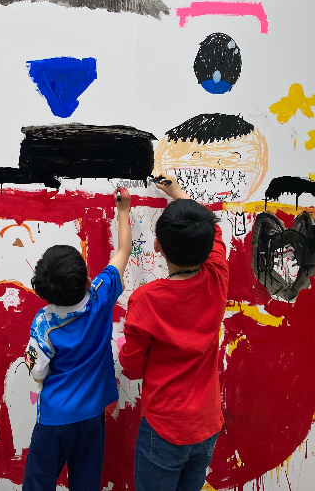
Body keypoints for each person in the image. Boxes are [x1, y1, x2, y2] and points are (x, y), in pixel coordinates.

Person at [118, 175, 229, 491]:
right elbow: (215, 230)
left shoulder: (147, 299)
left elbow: (131, 367)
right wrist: (178, 193)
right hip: (206, 424)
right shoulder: (218, 276)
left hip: (165, 427)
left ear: (157, 247)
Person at [21, 188, 132, 491]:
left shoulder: (44, 324)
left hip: (55, 421)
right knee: (86, 484)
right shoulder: (101, 295)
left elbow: (37, 372)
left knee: (38, 485)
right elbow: (123, 251)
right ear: (86, 279)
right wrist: (123, 210)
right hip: (92, 416)